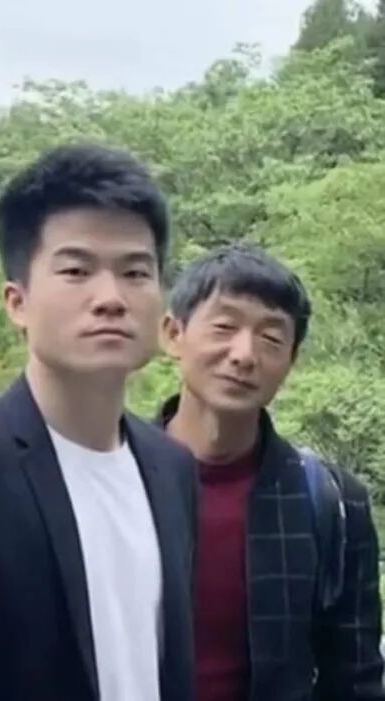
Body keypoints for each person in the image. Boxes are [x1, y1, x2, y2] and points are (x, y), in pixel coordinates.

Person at [0, 143, 198, 701]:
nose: (110, 298)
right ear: (17, 301)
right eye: (76, 270)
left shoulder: (173, 468)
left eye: (135, 271)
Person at [157, 243, 385, 701]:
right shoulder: (110, 479)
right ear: (173, 334)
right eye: (224, 327)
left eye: (271, 339)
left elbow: (356, 679)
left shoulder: (332, 501)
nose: (244, 354)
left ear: (291, 361)